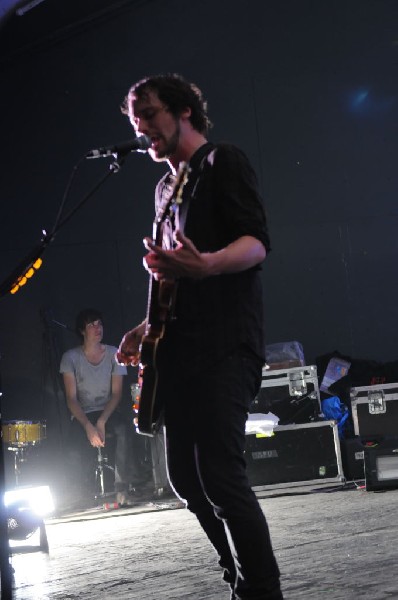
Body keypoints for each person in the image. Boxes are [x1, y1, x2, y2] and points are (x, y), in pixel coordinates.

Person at [117, 74, 283, 600]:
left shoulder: (221, 162)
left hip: (225, 343)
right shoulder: (165, 189)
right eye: (134, 119)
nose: (141, 127)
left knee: (220, 477)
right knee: (187, 483)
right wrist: (145, 329)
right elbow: (173, 280)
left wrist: (208, 263)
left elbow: (256, 244)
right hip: (180, 352)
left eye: (148, 113)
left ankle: (263, 590)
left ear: (184, 109)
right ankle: (236, 575)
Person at [60, 308, 131, 506]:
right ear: (82, 330)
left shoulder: (113, 353)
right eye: (91, 325)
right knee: (73, 444)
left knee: (124, 431)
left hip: (107, 411)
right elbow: (71, 399)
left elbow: (117, 394)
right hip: (83, 414)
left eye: (99, 323)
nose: (97, 328)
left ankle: (121, 488)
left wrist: (101, 420)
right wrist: (87, 425)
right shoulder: (70, 357)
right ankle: (80, 493)